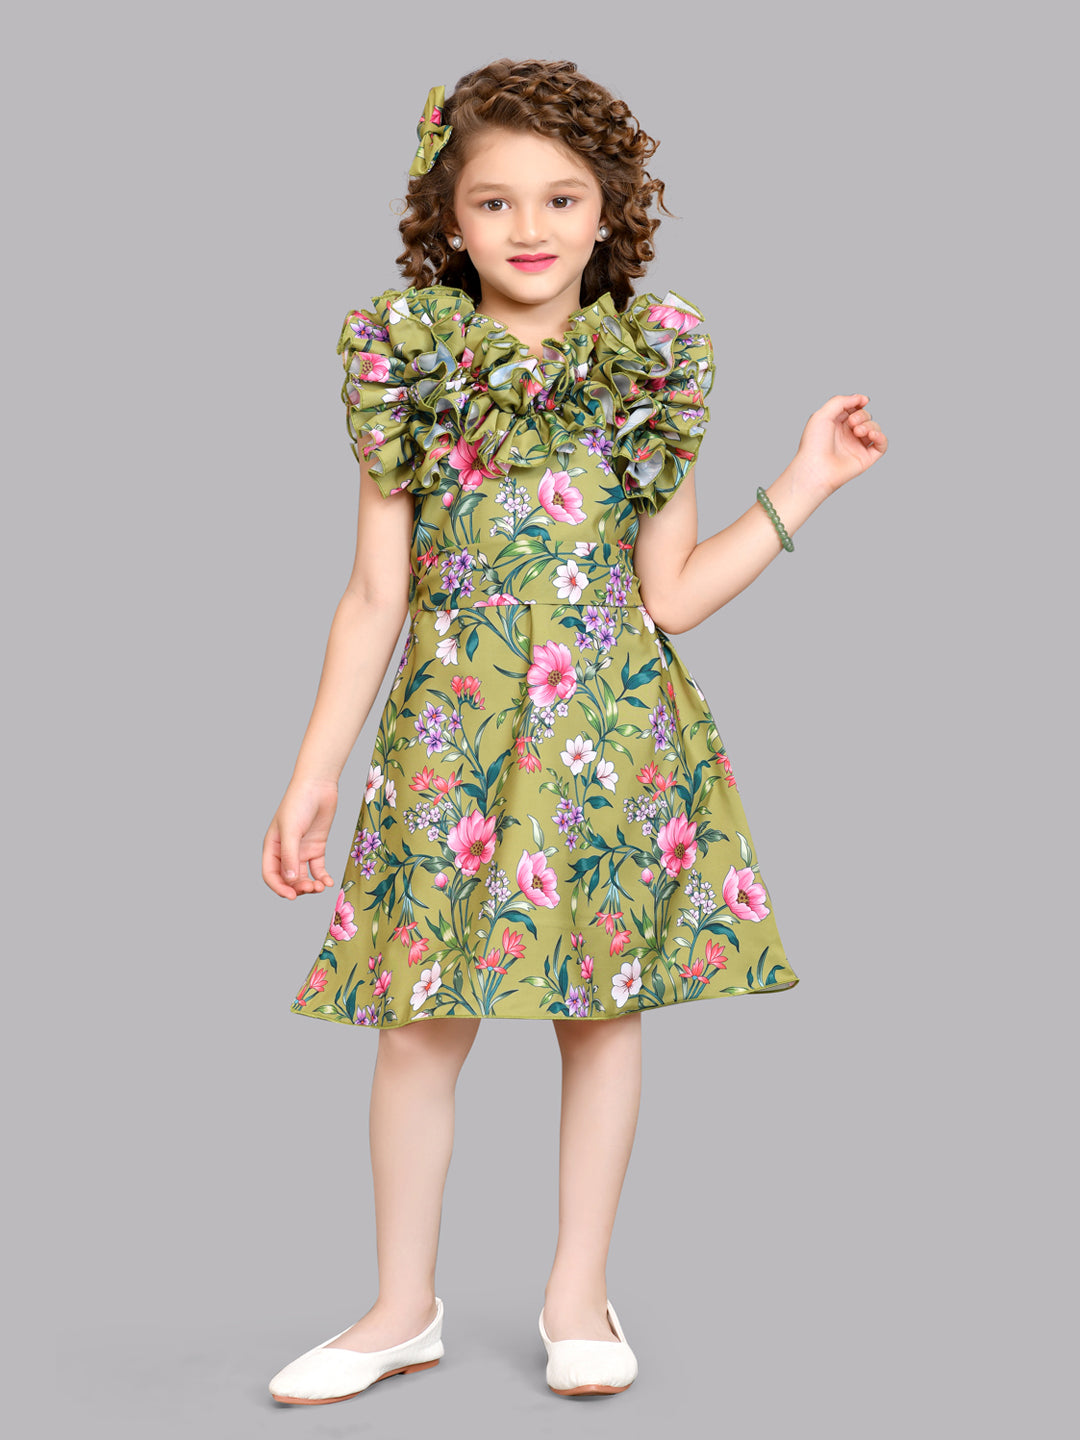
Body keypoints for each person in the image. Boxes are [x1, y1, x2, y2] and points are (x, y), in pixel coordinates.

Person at [262, 58, 887, 1406]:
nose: (530, 226)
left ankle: (576, 1294)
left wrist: (808, 481)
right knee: (417, 1021)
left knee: (600, 1013)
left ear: (611, 209)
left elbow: (674, 595)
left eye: (561, 197)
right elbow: (374, 592)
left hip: (609, 733)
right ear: (449, 215)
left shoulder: (649, 360)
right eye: (493, 201)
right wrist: (314, 774)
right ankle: (400, 1307)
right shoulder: (409, 359)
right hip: (449, 738)